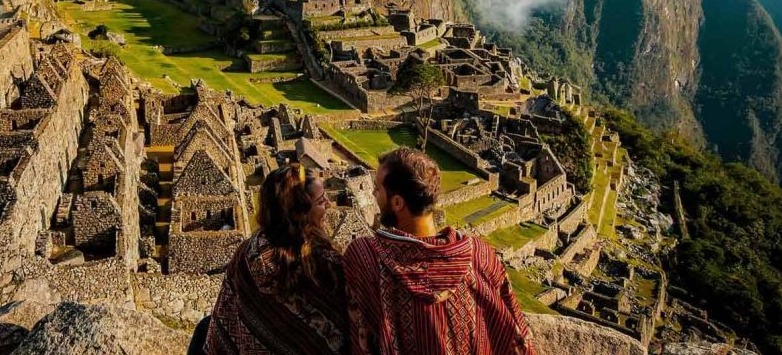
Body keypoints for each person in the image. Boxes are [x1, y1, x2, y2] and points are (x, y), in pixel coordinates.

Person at [344, 147, 536, 355]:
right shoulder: (480, 256)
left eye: (377, 189)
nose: (373, 194)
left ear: (398, 202)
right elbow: (517, 336)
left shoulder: (365, 257)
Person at [198, 163, 349, 355]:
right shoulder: (327, 266)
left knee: (204, 327)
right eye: (320, 201)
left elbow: (227, 321)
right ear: (300, 212)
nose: (328, 204)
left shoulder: (247, 253)